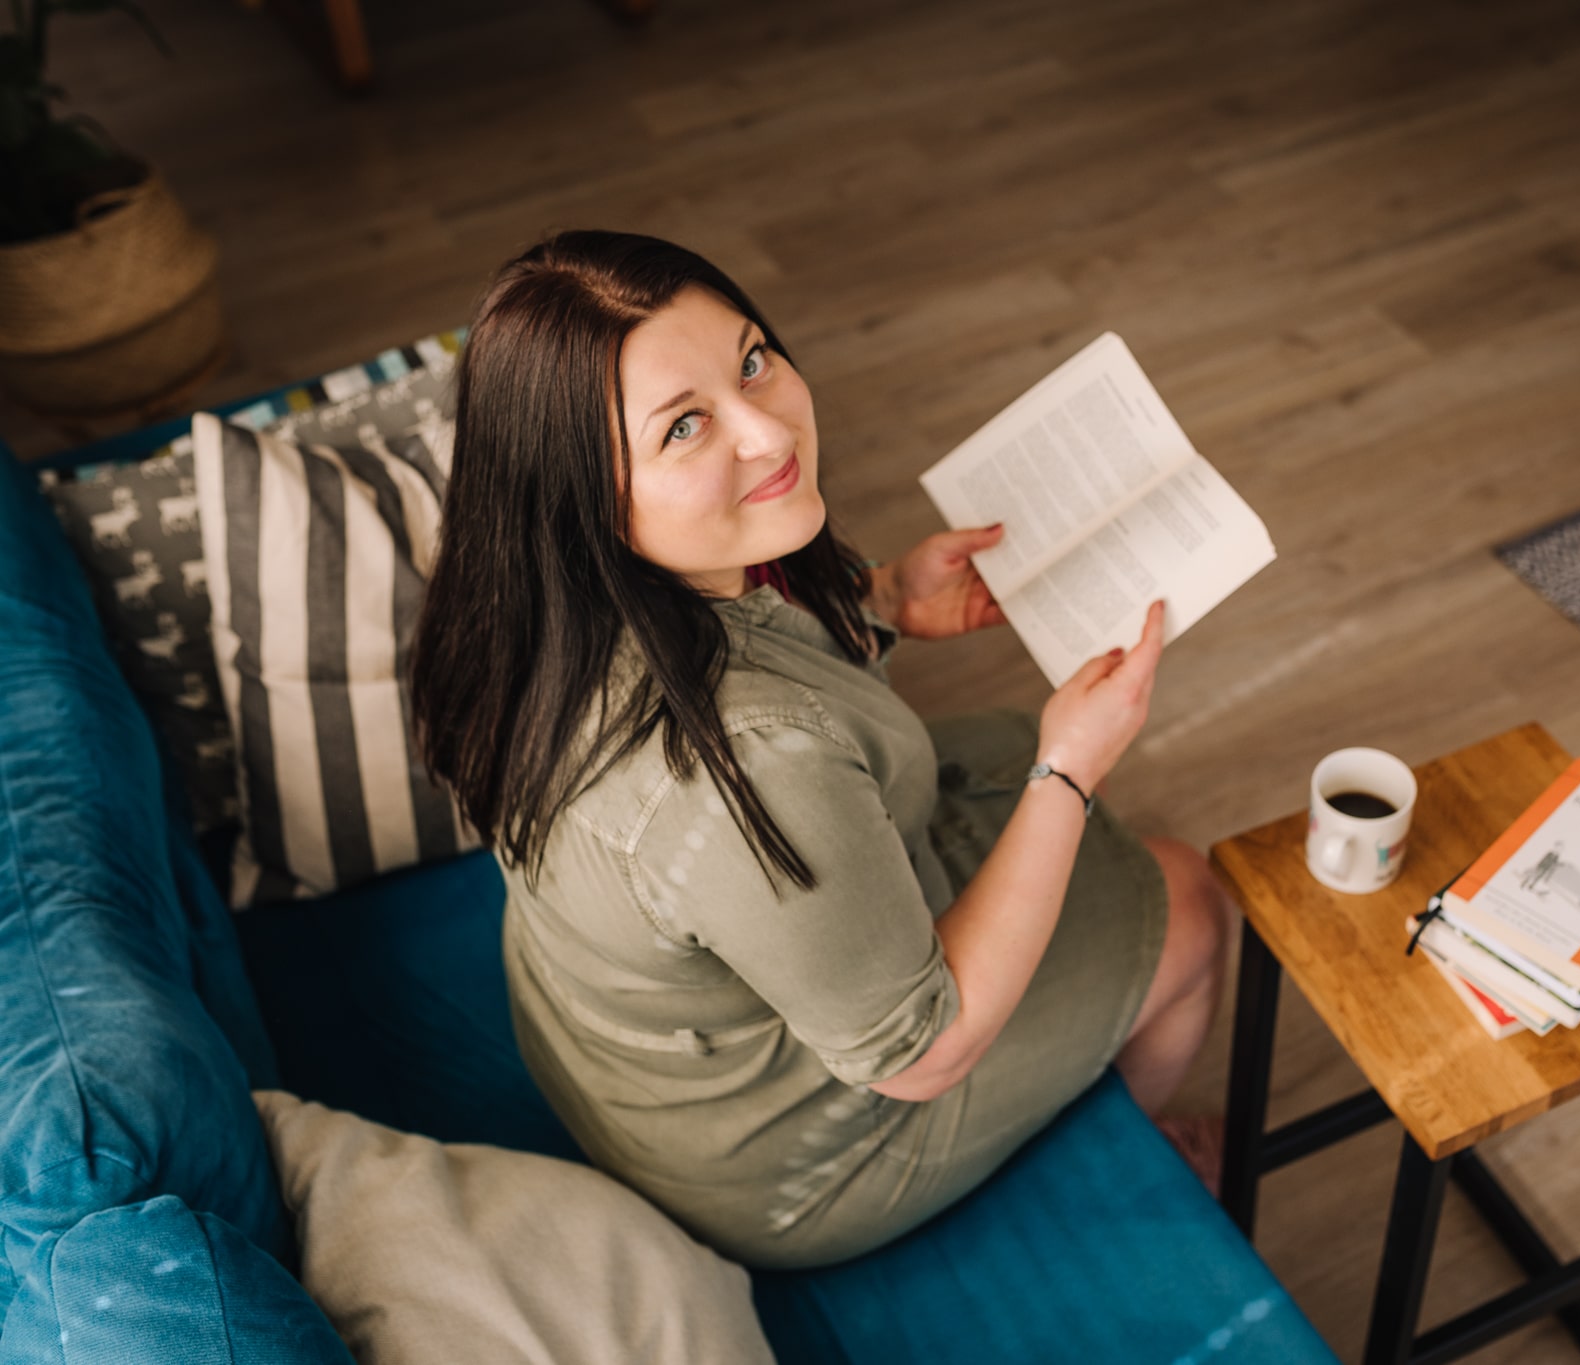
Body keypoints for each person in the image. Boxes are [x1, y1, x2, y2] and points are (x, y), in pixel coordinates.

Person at [410, 229, 1236, 1270]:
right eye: (685, 428)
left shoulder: (527, 590)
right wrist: (1069, 770)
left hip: (627, 1056)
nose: (767, 430)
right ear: (586, 496)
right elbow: (920, 1053)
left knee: (991, 753)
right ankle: (1113, 1149)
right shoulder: (745, 769)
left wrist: (881, 597)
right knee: (1191, 899)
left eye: (751, 359)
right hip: (785, 1160)